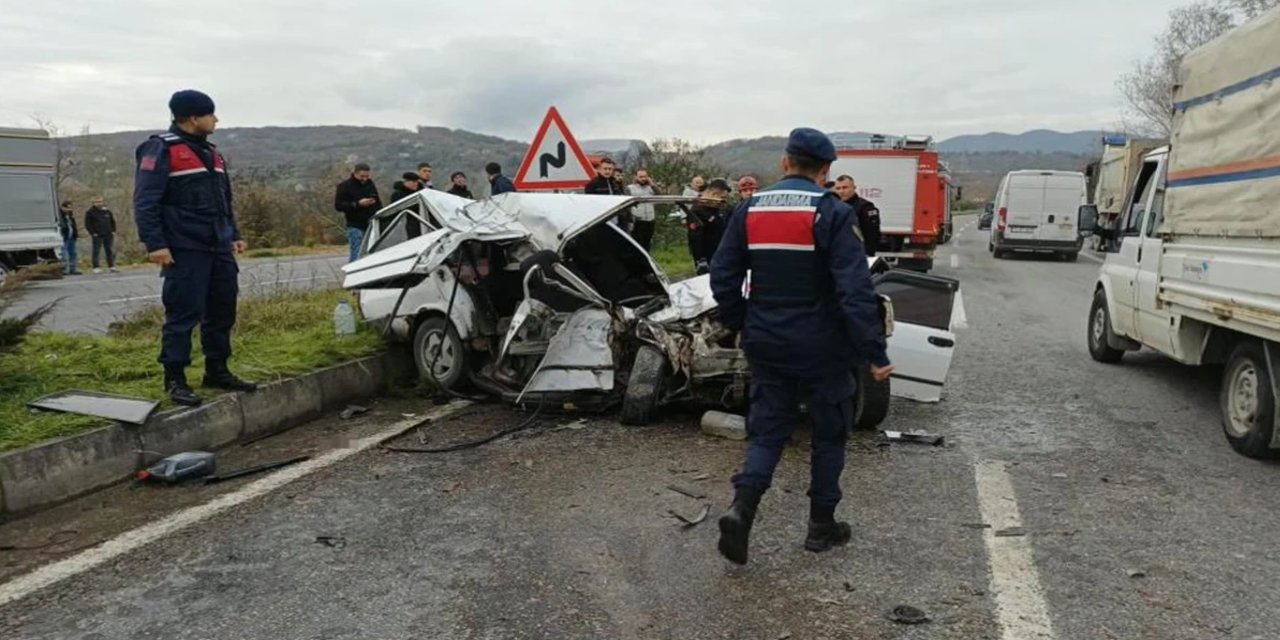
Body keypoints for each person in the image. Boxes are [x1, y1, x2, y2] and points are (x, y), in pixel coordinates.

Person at [709, 128, 893, 565]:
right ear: (826, 170)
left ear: (784, 162)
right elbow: (854, 290)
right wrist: (875, 351)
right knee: (830, 433)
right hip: (824, 347)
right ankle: (820, 527)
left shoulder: (749, 209)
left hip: (766, 340)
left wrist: (740, 322)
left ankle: (742, 509)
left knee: (768, 429)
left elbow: (722, 274)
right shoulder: (831, 212)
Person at [134, 89, 258, 407]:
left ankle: (217, 370)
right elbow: (146, 200)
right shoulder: (161, 148)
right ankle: (175, 378)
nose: (216, 119)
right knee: (183, 314)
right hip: (184, 246)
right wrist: (156, 244)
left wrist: (234, 233)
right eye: (210, 114)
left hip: (218, 244)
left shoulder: (212, 152)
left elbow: (223, 200)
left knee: (222, 309)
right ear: (193, 117)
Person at [334, 163, 382, 262]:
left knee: (371, 253)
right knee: (357, 252)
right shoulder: (344, 186)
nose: (364, 179)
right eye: (362, 176)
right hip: (355, 225)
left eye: (367, 176)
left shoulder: (370, 184)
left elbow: (378, 202)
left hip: (371, 223)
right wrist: (357, 204)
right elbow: (338, 206)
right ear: (355, 173)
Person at [687, 178, 731, 275]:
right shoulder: (697, 211)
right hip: (707, 256)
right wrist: (700, 260)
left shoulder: (718, 209)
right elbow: (695, 238)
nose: (722, 202)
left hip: (720, 253)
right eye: (722, 198)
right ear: (714, 194)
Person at [832, 175, 881, 257]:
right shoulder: (832, 206)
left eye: (845, 188)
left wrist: (867, 254)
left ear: (854, 188)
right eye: (838, 188)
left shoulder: (865, 207)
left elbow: (872, 235)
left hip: (857, 254)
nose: (841, 191)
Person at [626, 168, 659, 250]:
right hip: (637, 220)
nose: (643, 179)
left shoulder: (651, 187)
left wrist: (652, 185)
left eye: (645, 176)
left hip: (650, 219)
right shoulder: (630, 188)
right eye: (641, 177)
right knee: (637, 243)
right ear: (636, 177)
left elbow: (659, 195)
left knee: (647, 242)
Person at [84, 197, 118, 273]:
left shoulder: (107, 212)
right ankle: (96, 267)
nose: (99, 203)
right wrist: (93, 233)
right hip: (97, 234)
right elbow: (88, 224)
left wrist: (113, 231)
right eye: (97, 202)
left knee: (109, 250)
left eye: (100, 202)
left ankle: (111, 266)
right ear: (93, 203)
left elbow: (112, 221)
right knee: (96, 251)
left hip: (108, 234)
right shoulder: (90, 212)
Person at [58, 200, 80, 275]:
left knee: (73, 253)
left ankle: (73, 269)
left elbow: (73, 225)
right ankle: (65, 269)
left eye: (70, 208)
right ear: (63, 207)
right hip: (65, 237)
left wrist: (76, 234)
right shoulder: (60, 215)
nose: (69, 210)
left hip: (72, 237)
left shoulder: (70, 215)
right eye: (67, 208)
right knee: (65, 253)